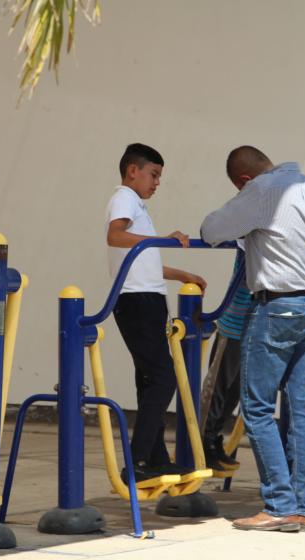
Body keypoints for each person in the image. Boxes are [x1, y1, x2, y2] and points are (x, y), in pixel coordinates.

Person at [201, 146, 305, 533]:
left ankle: (278, 503)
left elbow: (211, 230)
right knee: (301, 409)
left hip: (276, 307)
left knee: (256, 408)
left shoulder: (261, 192)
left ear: (243, 180)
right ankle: (299, 503)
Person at [105, 143, 207, 483]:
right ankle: (137, 461)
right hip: (137, 301)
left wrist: (183, 275)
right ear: (133, 170)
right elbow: (115, 236)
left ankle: (154, 458)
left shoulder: (138, 208)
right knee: (163, 378)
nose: (157, 182)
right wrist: (161, 238)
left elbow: (145, 260)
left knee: (150, 379)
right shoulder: (123, 198)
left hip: (147, 297)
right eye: (154, 174)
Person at [200, 250, 248, 472]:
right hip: (234, 322)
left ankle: (213, 437)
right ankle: (201, 441)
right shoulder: (249, 225)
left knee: (234, 392)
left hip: (254, 325)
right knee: (218, 387)